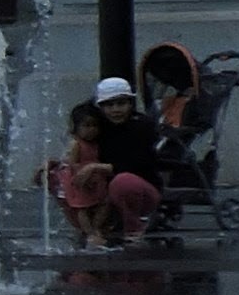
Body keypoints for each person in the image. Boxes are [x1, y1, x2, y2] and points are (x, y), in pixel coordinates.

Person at [52, 78, 165, 246]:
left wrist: (96, 167)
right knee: (56, 175)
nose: (116, 109)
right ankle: (88, 228)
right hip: (101, 190)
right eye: (109, 105)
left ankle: (134, 226)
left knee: (122, 181)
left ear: (130, 103)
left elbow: (137, 164)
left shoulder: (141, 126)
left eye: (121, 103)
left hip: (140, 190)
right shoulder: (99, 127)